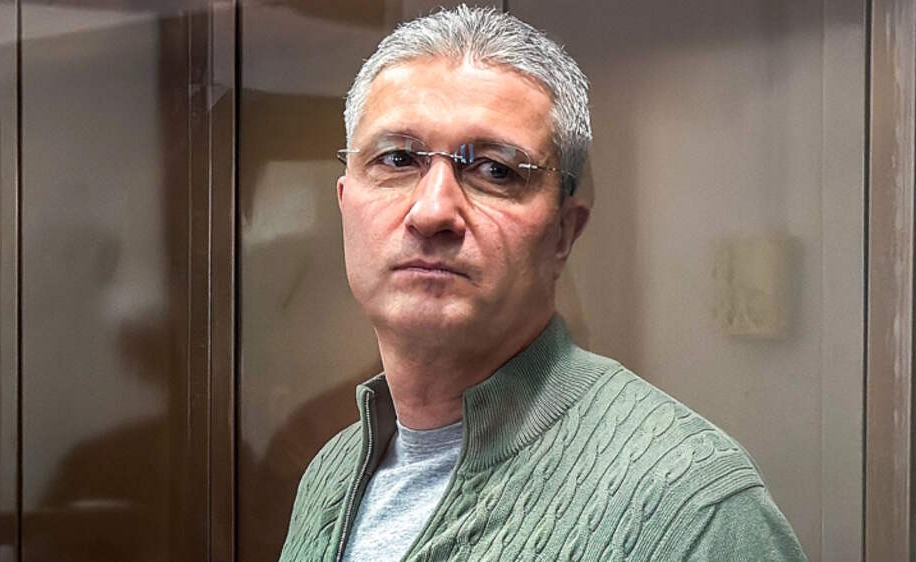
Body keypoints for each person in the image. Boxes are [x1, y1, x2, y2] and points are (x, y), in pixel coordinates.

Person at [280, 6, 807, 561]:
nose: (432, 211)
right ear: (346, 204)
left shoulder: (693, 510)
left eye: (495, 170)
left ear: (563, 232)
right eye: (396, 159)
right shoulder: (330, 475)